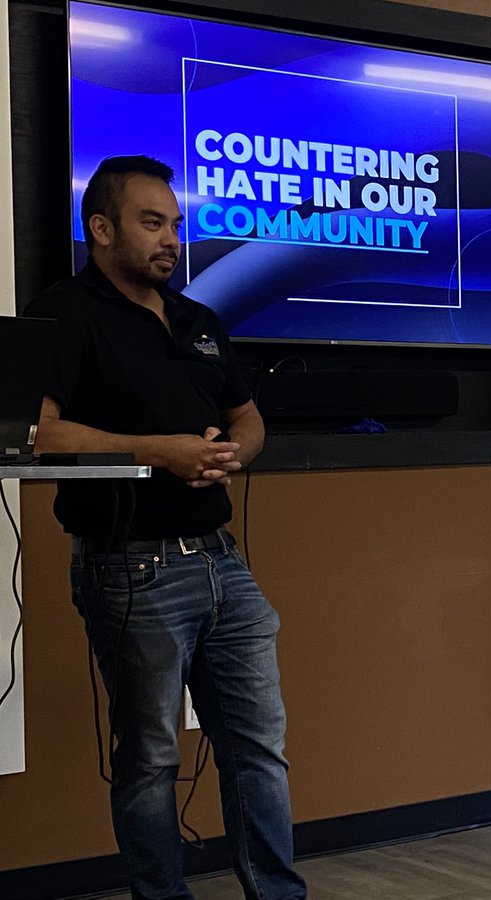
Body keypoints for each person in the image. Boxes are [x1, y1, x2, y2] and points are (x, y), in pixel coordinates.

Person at [27, 156, 307, 899]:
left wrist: (229, 456)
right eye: (152, 223)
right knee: (151, 756)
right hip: (133, 568)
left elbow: (246, 418)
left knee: (258, 747)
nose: (171, 240)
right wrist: (159, 453)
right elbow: (39, 435)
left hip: (223, 562)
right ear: (101, 228)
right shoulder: (64, 313)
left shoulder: (197, 318)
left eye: (176, 225)